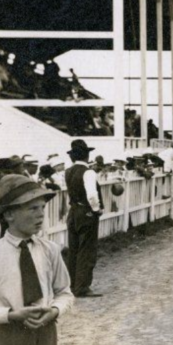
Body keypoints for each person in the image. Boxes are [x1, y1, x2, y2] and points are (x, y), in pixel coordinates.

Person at [0, 175, 74, 344]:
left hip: (46, 333)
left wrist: (54, 310)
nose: (41, 215)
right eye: (33, 209)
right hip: (7, 334)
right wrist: (10, 315)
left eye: (42, 208)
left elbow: (64, 292)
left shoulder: (50, 250)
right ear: (9, 214)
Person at [64, 140, 104, 297]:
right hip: (86, 212)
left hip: (73, 212)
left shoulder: (68, 172)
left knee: (73, 249)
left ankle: (72, 285)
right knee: (87, 249)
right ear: (87, 155)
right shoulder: (88, 172)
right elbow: (92, 194)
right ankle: (82, 287)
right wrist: (97, 209)